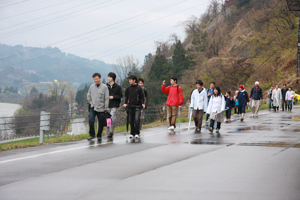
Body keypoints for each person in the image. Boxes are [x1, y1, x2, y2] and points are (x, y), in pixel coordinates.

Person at [87, 73, 109, 141]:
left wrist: (106, 108)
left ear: (100, 78)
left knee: (101, 122)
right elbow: (88, 95)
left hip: (102, 108)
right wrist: (91, 102)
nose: (95, 80)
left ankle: (99, 135)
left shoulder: (104, 87)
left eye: (96, 79)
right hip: (93, 107)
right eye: (94, 79)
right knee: (91, 120)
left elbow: (106, 98)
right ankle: (92, 134)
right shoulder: (91, 87)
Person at [123, 75, 145, 139]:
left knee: (137, 119)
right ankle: (132, 133)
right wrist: (125, 103)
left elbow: (142, 97)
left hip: (137, 106)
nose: (129, 81)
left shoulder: (139, 88)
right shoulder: (128, 88)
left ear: (134, 80)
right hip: (130, 106)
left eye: (130, 80)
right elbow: (126, 97)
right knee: (131, 120)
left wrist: (143, 104)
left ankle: (137, 133)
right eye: (129, 80)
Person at [106, 72, 123, 139]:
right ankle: (109, 132)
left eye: (110, 77)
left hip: (114, 104)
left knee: (112, 117)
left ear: (113, 78)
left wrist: (113, 97)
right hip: (107, 105)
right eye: (108, 77)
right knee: (108, 119)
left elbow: (120, 95)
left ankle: (111, 131)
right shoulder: (106, 86)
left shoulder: (118, 87)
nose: (108, 78)